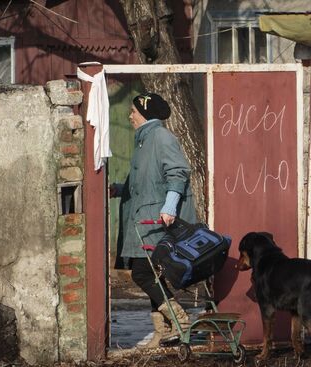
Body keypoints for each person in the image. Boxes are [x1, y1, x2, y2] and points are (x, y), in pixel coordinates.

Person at [110, 92, 198, 348]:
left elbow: (178, 172)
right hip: (145, 218)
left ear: (145, 113)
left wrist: (170, 207)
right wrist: (117, 189)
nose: (130, 116)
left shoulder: (160, 137)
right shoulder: (144, 142)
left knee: (142, 273)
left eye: (133, 112)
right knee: (151, 274)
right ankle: (161, 332)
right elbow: (143, 182)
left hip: (158, 220)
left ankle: (180, 320)